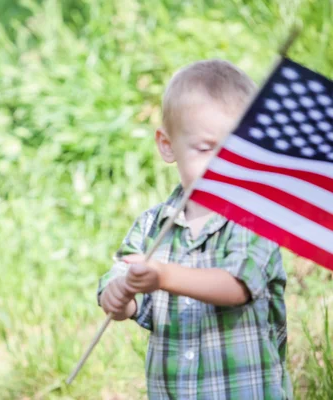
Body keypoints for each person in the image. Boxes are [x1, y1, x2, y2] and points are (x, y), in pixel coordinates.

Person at [98, 60, 292, 399]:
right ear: (168, 145)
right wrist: (118, 296)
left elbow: (237, 286)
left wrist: (164, 277)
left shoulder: (255, 218)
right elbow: (124, 282)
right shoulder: (152, 225)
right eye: (205, 148)